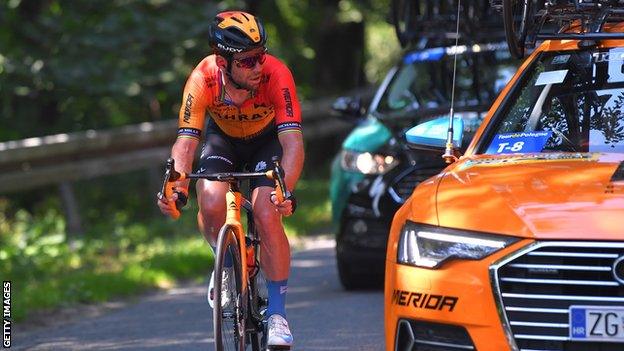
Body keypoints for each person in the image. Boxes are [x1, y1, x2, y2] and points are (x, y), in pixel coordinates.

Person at [156, 10, 304, 349]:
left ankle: (277, 314)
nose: (258, 66)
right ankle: (224, 264)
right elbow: (187, 140)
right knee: (209, 199)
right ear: (223, 63)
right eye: (248, 61)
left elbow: (292, 142)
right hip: (223, 141)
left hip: (267, 142)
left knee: (267, 213)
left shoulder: (277, 75)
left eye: (260, 56)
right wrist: (176, 188)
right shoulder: (203, 77)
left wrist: (287, 189)